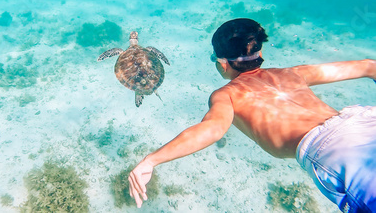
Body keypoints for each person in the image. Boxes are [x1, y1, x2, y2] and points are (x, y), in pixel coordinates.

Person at [128, 18, 376, 212]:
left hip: (334, 152)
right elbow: (368, 66)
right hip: (365, 122)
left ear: (223, 62)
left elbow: (212, 130)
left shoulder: (228, 94)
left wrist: (151, 160)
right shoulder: (293, 73)